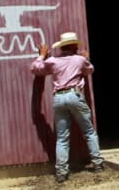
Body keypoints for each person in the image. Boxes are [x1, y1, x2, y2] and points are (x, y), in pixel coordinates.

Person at [31, 31, 104, 183]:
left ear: (63, 47)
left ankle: (61, 172)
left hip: (59, 97)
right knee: (89, 131)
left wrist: (42, 55)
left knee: (62, 138)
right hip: (74, 95)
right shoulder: (79, 59)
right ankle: (98, 164)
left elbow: (35, 69)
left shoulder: (53, 61)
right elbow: (90, 70)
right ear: (74, 45)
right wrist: (85, 59)